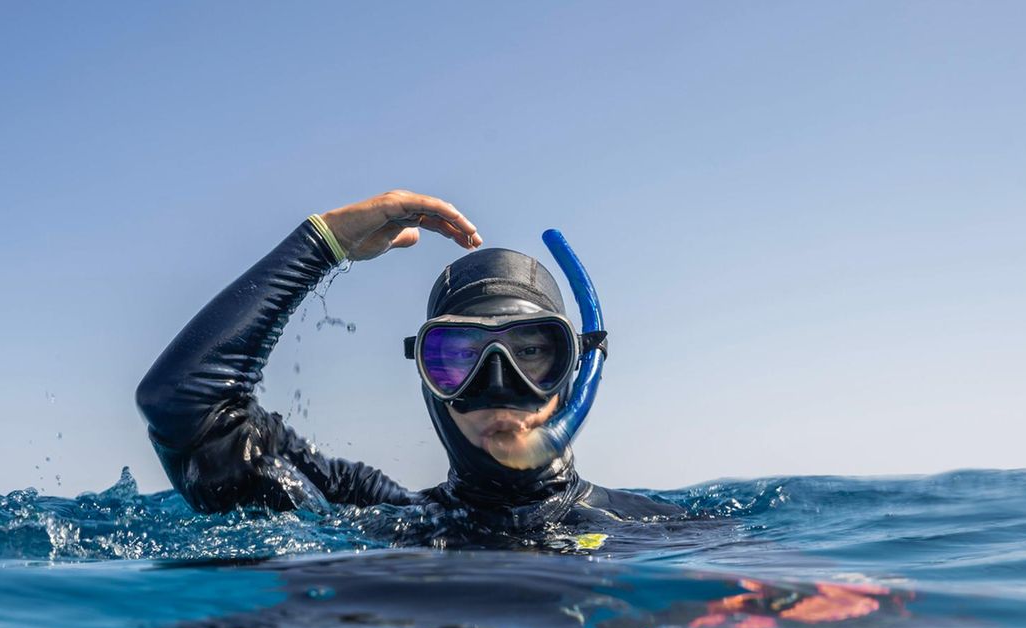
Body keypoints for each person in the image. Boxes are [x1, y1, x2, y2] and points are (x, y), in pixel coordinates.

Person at [135, 190, 682, 530]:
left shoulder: (659, 532)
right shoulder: (383, 523)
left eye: (533, 352)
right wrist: (323, 243)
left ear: (574, 368)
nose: (498, 385)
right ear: (427, 376)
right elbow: (183, 404)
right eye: (460, 354)